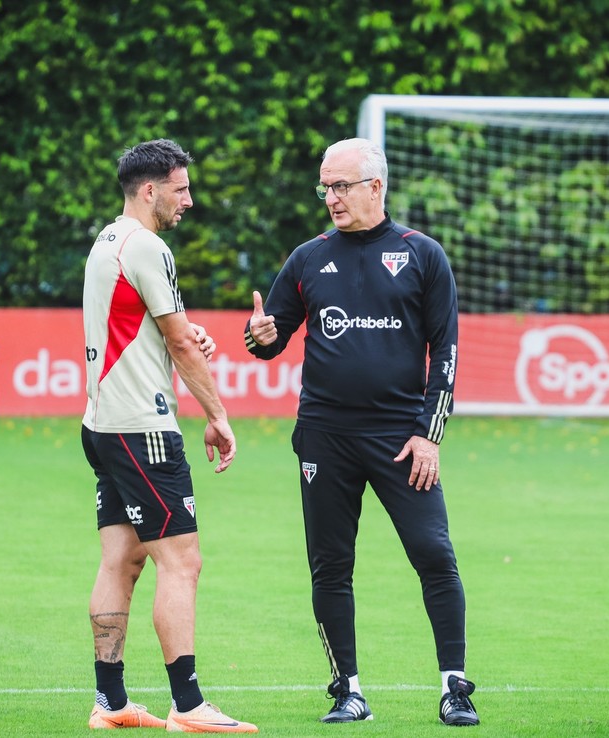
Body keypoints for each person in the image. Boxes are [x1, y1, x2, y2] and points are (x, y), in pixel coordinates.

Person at [245, 137, 479, 727]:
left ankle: (455, 687)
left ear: (376, 187)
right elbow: (272, 340)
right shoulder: (306, 259)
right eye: (325, 186)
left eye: (342, 185)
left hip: (403, 439)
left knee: (434, 554)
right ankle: (347, 689)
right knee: (330, 566)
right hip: (325, 437)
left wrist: (430, 435)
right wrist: (260, 337)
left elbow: (446, 351)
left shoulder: (422, 254)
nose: (331, 197)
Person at [81, 138, 257, 733]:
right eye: (181, 188)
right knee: (183, 563)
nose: (189, 199)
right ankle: (189, 706)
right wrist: (218, 415)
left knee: (122, 559)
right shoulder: (148, 245)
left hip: (102, 425)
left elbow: (146, 325)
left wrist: (183, 335)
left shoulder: (108, 240)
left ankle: (111, 703)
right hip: (143, 430)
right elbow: (178, 342)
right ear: (151, 190)